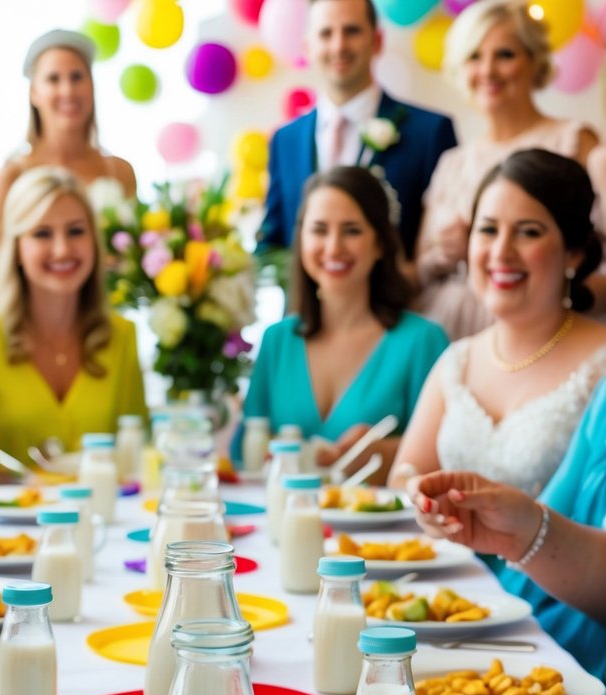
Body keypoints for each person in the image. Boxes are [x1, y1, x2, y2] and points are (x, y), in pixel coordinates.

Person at [390, 150, 606, 498]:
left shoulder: (601, 365)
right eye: (488, 229)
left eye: (528, 232)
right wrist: (422, 495)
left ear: (574, 253)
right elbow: (404, 477)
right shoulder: (457, 359)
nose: (501, 252)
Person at [0, 166, 146, 485]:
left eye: (76, 231)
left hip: (105, 526)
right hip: (2, 529)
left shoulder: (122, 336)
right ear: (17, 247)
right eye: (42, 233)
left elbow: (135, 455)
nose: (62, 249)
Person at [235, 167, 448, 476]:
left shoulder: (423, 341)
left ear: (379, 244)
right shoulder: (277, 341)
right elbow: (243, 457)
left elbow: (451, 456)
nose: (334, 247)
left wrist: (390, 454)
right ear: (301, 239)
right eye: (319, 230)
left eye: (352, 230)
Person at [414, 0, 600, 339]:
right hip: (449, 331)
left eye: (505, 55)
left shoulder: (574, 141)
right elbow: (417, 271)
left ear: (534, 61)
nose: (487, 71)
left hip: (543, 332)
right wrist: (444, 254)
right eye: (474, 56)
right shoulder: (452, 163)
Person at [408, 371, 606, 679]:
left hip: (577, 657)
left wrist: (523, 534)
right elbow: (555, 511)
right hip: (543, 633)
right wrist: (511, 526)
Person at [257, 0, 456, 260]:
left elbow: (445, 245)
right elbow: (273, 242)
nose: (338, 45)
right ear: (307, 47)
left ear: (377, 41)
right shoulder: (285, 140)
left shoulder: (430, 132)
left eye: (352, 31)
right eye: (326, 33)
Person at [0, 29, 136, 265]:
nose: (68, 91)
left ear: (92, 86)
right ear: (34, 93)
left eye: (77, 77)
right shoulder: (12, 176)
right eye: (53, 79)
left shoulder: (121, 171)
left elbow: (134, 259)